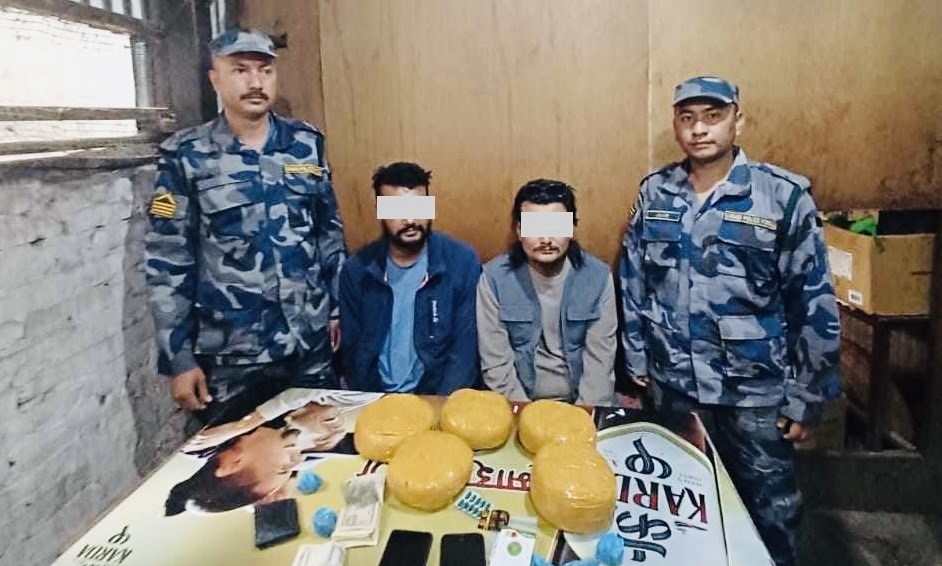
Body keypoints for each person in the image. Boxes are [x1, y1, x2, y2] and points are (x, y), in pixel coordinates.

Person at [619, 76, 840, 566]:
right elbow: (633, 279)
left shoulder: (781, 197)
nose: (699, 130)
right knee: (682, 502)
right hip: (675, 384)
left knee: (768, 510)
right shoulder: (656, 193)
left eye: (713, 117)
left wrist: (806, 396)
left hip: (754, 393)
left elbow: (813, 300)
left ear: (738, 121)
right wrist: (636, 357)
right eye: (687, 118)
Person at [144, 28, 346, 424]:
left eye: (265, 71)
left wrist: (337, 310)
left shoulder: (305, 144)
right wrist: (178, 358)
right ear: (215, 79)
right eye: (240, 70)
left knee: (318, 450)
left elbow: (329, 233)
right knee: (233, 455)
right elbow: (168, 261)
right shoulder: (187, 156)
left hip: (309, 346)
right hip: (232, 357)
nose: (255, 82)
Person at [339, 162, 480, 394]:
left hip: (437, 397)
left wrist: (437, 407)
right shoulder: (356, 270)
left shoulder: (461, 261)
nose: (410, 220)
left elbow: (464, 352)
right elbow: (353, 352)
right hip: (376, 397)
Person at [477, 179, 616, 406]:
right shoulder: (494, 279)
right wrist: (523, 414)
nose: (546, 239)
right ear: (519, 230)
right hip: (517, 404)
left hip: (578, 403)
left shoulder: (598, 278)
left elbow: (600, 364)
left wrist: (581, 416)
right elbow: (496, 365)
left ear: (571, 228)